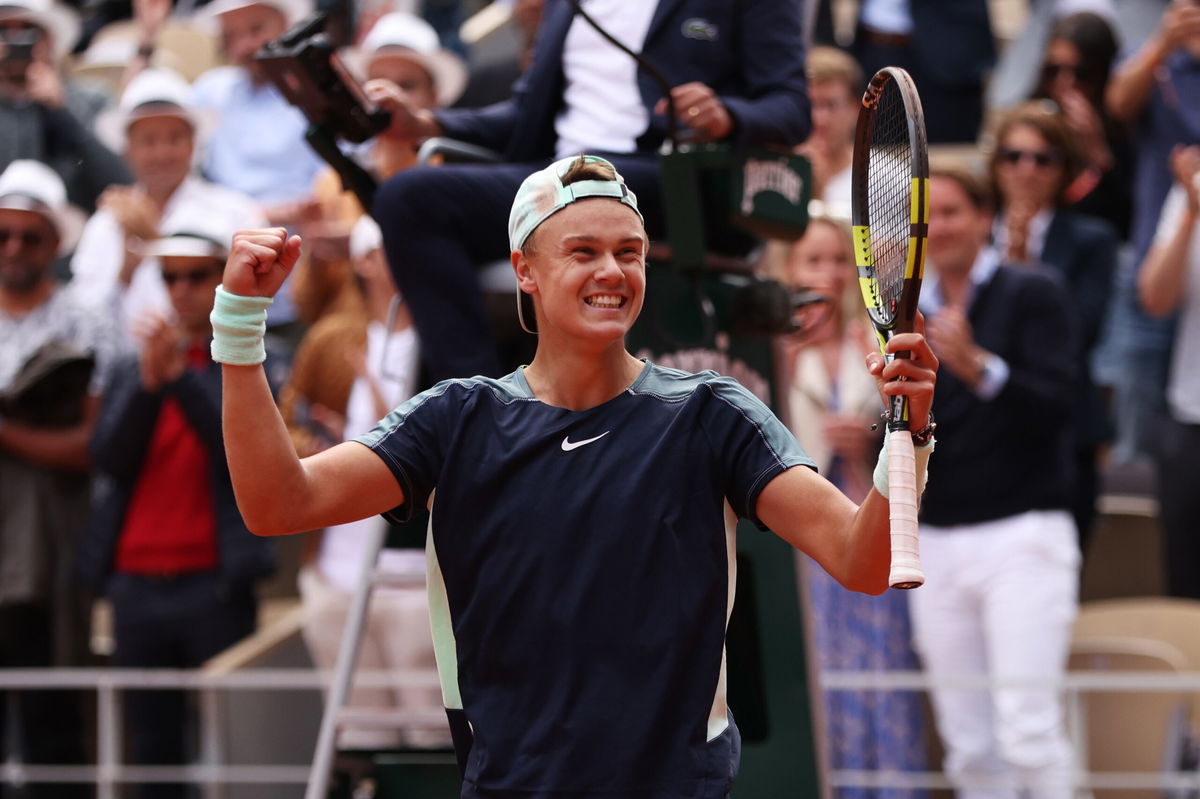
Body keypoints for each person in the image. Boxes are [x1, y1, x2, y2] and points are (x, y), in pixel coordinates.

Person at [212, 154, 938, 798]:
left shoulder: (712, 414)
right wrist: (241, 325)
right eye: (583, 251)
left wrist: (910, 433)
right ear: (525, 268)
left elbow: (861, 559)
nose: (612, 272)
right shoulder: (456, 418)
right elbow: (280, 503)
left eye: (630, 252)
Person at [369, 0, 811, 383]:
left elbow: (790, 107)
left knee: (584, 181)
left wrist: (727, 116)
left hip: (673, 178)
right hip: (557, 176)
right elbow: (527, 114)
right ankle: (474, 403)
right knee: (406, 198)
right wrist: (429, 124)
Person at [77, 213, 276, 799]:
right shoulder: (131, 362)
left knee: (233, 744)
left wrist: (178, 379)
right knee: (151, 752)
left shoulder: (251, 362)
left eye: (196, 276)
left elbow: (234, 451)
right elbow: (108, 459)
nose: (181, 290)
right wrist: (148, 384)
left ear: (220, 281)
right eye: (170, 277)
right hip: (136, 584)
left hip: (215, 581)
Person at [914, 165, 1081, 799]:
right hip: (936, 543)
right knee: (970, 746)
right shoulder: (902, 311)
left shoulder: (1034, 291)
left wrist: (977, 366)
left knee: (1027, 733)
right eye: (929, 217)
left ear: (985, 217)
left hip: (1024, 534)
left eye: (953, 211)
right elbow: (909, 432)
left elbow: (1062, 407)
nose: (941, 228)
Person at [769, 217, 928, 799]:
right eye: (813, 260)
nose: (828, 274)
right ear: (789, 271)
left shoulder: (879, 347)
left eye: (839, 260)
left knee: (882, 673)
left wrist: (870, 440)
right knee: (814, 678)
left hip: (873, 531)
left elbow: (918, 434)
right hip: (806, 541)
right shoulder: (769, 354)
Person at [293, 216, 450, 754]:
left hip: (417, 579)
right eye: (387, 249)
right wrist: (318, 445)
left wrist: (386, 423)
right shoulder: (332, 338)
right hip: (337, 576)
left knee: (436, 736)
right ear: (362, 262)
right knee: (359, 737)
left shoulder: (444, 340)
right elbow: (285, 418)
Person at [0, 159, 117, 798]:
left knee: (53, 718)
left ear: (56, 242)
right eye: (2, 235)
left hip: (52, 549)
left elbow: (93, 446)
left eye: (30, 236)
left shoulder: (88, 323)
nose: (14, 249)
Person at [986, 101, 1117, 551]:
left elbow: (1083, 332)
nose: (1027, 169)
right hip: (977, 437)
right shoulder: (964, 230)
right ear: (996, 164)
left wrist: (1024, 269)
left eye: (1043, 158)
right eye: (1013, 156)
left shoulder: (1090, 241)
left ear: (1063, 169)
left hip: (1066, 435)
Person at [290, 10, 467, 326]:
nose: (389, 98)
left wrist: (361, 243)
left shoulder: (453, 176)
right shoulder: (332, 180)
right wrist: (316, 255)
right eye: (376, 85)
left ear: (435, 99)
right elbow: (306, 308)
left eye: (406, 85)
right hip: (342, 346)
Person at [70, 67, 266, 344]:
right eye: (148, 141)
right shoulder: (105, 223)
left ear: (192, 144)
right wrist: (126, 270)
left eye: (174, 138)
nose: (162, 153)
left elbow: (253, 303)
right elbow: (84, 322)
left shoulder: (236, 213)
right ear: (128, 150)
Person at [1102, 0, 1200, 463]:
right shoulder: (1154, 58)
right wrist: (1166, 42)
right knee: (1141, 416)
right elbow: (1119, 102)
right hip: (1157, 260)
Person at [1137, 144, 1200, 599]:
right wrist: (1190, 212)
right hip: (1190, 412)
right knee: (1187, 587)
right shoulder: (1189, 192)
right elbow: (1155, 299)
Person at [0, 0, 132, 213]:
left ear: (50, 39)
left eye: (28, 30)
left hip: (78, 231)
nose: (15, 41)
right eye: (3, 31)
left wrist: (62, 111)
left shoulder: (92, 98)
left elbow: (120, 182)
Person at [1030, 11, 1132, 240]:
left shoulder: (1125, 127)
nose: (1065, 83)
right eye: (1054, 70)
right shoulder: (1030, 117)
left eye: (1081, 73)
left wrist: (1097, 151)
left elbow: (1127, 218)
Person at [796, 47, 861, 218]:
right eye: (811, 105)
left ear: (855, 109)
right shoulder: (778, 169)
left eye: (830, 105)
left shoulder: (888, 178)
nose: (819, 119)